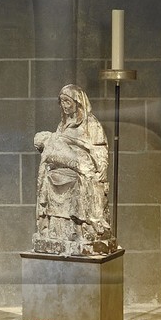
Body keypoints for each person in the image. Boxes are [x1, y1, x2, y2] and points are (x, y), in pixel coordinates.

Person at [32, 84, 116, 257]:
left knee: (80, 180)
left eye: (67, 101)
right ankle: (55, 229)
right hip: (63, 167)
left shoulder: (91, 124)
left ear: (78, 103)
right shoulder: (62, 125)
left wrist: (101, 169)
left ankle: (80, 229)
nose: (64, 105)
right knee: (49, 177)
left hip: (86, 168)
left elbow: (99, 150)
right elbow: (55, 145)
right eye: (62, 102)